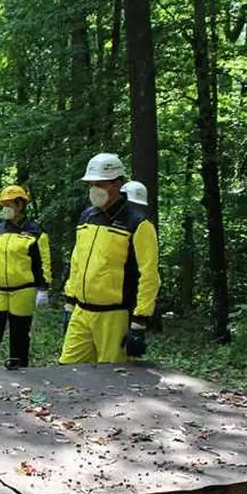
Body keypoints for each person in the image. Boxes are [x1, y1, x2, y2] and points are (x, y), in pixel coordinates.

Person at [60, 153, 160, 364]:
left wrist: (139, 322)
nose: (94, 189)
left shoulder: (138, 223)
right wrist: (69, 301)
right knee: (66, 372)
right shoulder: (87, 216)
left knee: (112, 381)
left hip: (114, 316)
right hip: (81, 312)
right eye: (91, 184)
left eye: (101, 183)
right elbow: (77, 261)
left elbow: (148, 274)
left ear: (117, 184)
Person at [0, 185, 51, 370]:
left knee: (20, 333)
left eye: (9, 203)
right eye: (3, 204)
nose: (5, 207)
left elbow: (43, 262)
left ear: (20, 204)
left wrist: (43, 288)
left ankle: (19, 369)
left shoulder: (35, 231)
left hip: (23, 289)